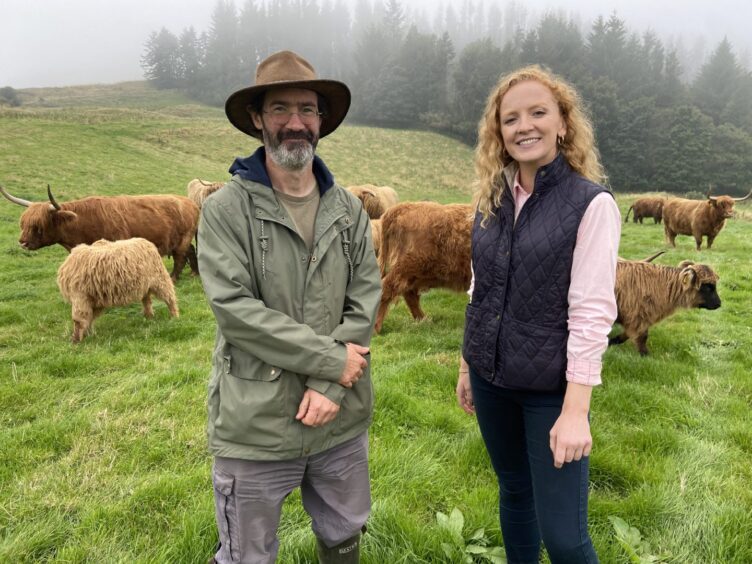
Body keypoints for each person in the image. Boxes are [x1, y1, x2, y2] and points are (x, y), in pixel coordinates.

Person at [198, 50, 381, 564]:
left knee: (344, 531)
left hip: (339, 417)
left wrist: (329, 385)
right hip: (256, 422)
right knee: (246, 551)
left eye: (307, 109)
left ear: (322, 121)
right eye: (280, 109)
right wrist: (332, 363)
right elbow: (235, 310)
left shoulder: (349, 211)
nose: (295, 123)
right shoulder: (224, 211)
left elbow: (365, 299)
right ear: (257, 119)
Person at [456, 65, 621, 564]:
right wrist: (468, 366)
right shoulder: (492, 198)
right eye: (511, 119)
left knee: (566, 538)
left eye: (538, 112)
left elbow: (593, 314)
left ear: (563, 124)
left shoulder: (591, 205)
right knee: (514, 493)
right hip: (491, 379)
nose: (524, 126)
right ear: (498, 133)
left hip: (551, 390)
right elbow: (478, 287)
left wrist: (576, 411)